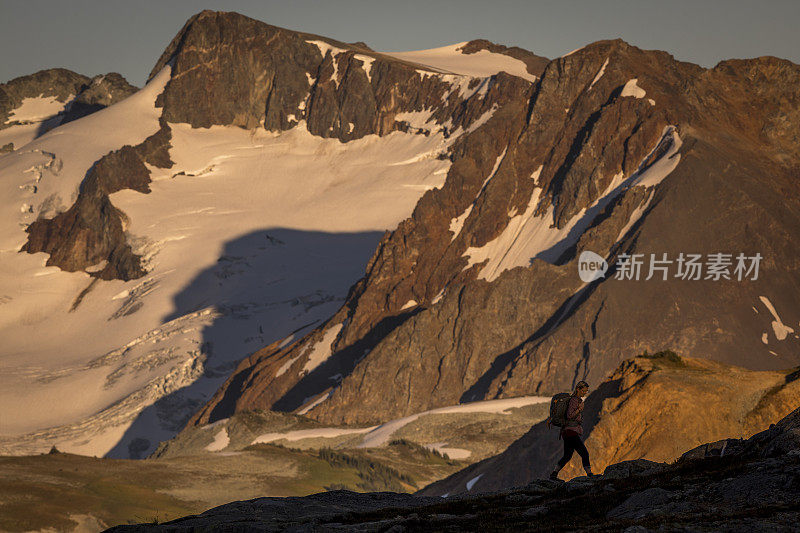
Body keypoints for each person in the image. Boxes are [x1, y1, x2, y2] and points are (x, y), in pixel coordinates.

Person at [549, 380, 592, 480]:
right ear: (578, 389)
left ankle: (554, 474)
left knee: (567, 455)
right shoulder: (574, 400)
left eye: (586, 391)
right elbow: (570, 415)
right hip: (571, 432)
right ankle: (590, 474)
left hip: (567, 432)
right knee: (584, 453)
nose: (584, 393)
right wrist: (579, 409)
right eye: (583, 391)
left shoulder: (575, 400)